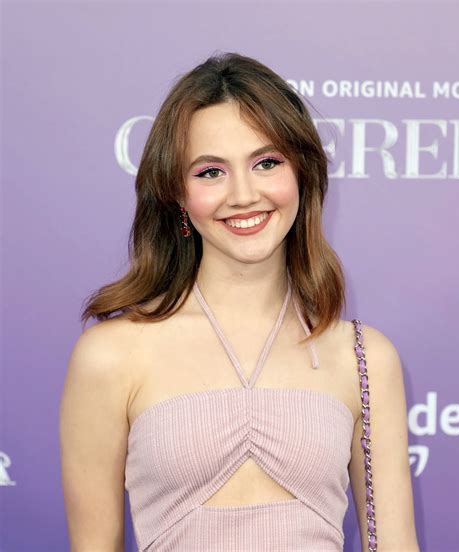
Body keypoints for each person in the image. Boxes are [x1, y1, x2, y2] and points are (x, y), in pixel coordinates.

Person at [59, 52, 419, 552]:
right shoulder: (111, 356)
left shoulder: (363, 358)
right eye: (211, 172)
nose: (244, 194)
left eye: (267, 163)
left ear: (302, 174)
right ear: (177, 193)